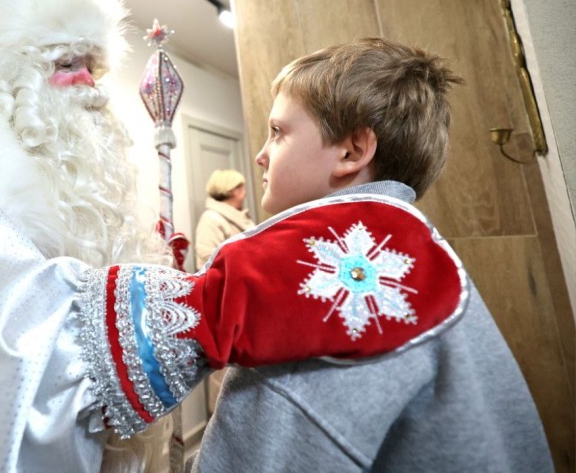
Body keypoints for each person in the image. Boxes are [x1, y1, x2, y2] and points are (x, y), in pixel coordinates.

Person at [0, 0, 467, 473]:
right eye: (67, 68)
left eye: (96, 71)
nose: (94, 94)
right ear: (4, 71)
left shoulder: (374, 261)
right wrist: (196, 306)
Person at [186, 38, 553, 472]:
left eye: (279, 132)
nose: (262, 155)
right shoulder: (417, 254)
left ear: (352, 151)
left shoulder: (312, 283)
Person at [193, 169, 254, 415]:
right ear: (231, 191)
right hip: (224, 305)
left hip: (247, 302)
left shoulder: (240, 218)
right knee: (223, 372)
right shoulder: (212, 219)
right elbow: (206, 261)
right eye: (240, 188)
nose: (243, 193)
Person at [194, 169, 254, 270]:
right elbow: (209, 261)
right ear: (235, 191)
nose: (245, 194)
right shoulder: (210, 219)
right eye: (243, 189)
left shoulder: (241, 217)